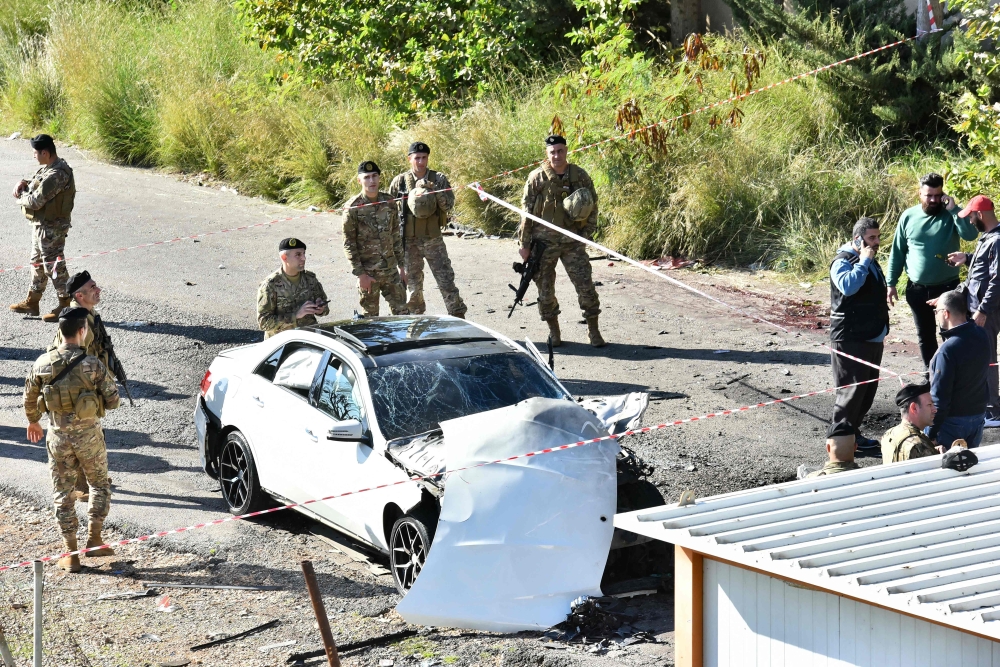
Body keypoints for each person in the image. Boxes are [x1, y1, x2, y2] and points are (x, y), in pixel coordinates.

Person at [23, 307, 120, 572]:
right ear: (82, 330)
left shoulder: (42, 362)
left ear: (60, 331)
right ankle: (96, 538)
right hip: (89, 437)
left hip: (58, 438)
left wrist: (33, 421)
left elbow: (29, 397)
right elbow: (113, 401)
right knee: (98, 484)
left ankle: (71, 552)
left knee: (62, 492)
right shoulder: (93, 364)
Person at [519, 135, 604, 347]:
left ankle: (593, 331)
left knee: (585, 286)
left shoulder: (579, 176)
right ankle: (554, 332)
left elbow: (593, 206)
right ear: (547, 154)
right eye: (552, 152)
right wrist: (524, 245)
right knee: (545, 290)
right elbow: (526, 213)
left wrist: (586, 234)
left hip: (572, 242)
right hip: (543, 244)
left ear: (566, 151)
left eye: (560, 151)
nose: (556, 156)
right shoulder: (536, 178)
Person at [885, 173, 978, 368]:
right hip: (917, 289)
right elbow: (898, 251)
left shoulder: (951, 214)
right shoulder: (908, 216)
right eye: (929, 195)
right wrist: (891, 283)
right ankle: (932, 378)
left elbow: (970, 235)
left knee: (952, 335)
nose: (934, 200)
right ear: (920, 194)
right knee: (925, 337)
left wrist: (954, 210)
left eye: (937, 195)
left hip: (947, 289)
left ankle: (955, 377)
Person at [50, 271, 116, 501]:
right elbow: (70, 358)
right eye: (92, 288)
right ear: (79, 295)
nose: (98, 290)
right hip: (78, 389)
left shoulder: (87, 314)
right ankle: (85, 486)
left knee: (89, 432)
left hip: (86, 384)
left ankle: (89, 481)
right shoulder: (78, 322)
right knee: (82, 434)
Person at [829, 217, 890, 455]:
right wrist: (864, 261)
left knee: (865, 393)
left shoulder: (869, 258)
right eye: (871, 238)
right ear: (858, 239)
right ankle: (838, 446)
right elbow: (848, 286)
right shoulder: (842, 261)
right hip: (850, 338)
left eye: (878, 237)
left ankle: (853, 435)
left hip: (871, 336)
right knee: (850, 393)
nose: (876, 242)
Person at [388, 142, 467, 318]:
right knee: (413, 287)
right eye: (417, 158)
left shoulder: (438, 178)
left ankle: (458, 318)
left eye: (424, 158)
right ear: (410, 159)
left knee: (446, 281)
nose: (421, 162)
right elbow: (390, 214)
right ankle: (416, 323)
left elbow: (448, 205)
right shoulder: (400, 182)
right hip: (409, 242)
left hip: (433, 240)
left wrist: (434, 189)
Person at [943, 195, 1000, 426]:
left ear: (980, 214)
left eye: (971, 216)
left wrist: (983, 310)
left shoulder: (996, 240)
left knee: (987, 358)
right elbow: (984, 268)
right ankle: (990, 406)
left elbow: (997, 279)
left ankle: (993, 411)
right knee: (983, 356)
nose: (969, 222)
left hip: (987, 310)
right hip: (980, 307)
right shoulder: (989, 238)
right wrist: (966, 258)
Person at [9, 134, 76, 322]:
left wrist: (20, 197)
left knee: (54, 266)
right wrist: (24, 182)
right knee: (36, 262)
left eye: (35, 153)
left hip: (52, 228)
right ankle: (33, 301)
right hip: (43, 226)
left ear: (45, 153)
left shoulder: (58, 173)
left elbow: (36, 200)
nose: (33, 156)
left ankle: (66, 304)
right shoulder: (49, 168)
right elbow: (39, 185)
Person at [343, 161, 409, 317]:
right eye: (366, 177)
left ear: (379, 178)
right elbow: (349, 244)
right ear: (360, 180)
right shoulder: (352, 208)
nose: (371, 181)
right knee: (370, 319)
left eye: (374, 176)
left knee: (403, 315)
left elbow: (395, 235)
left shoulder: (389, 201)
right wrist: (361, 275)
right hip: (369, 274)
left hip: (391, 271)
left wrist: (402, 267)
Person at [928, 290, 989, 447]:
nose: (936, 315)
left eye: (937, 311)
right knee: (970, 468)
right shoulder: (982, 335)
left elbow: (939, 397)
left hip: (952, 423)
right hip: (977, 416)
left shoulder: (947, 351)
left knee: (947, 469)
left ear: (946, 313)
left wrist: (931, 432)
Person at [257, 238, 330, 338]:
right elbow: (263, 322)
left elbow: (325, 309)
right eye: (298, 254)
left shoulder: (310, 279)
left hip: (309, 338)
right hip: (281, 343)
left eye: (304, 254)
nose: (304, 258)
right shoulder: (270, 285)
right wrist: (295, 315)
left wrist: (320, 309)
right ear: (284, 257)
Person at [881, 383, 939, 463]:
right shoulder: (918, 445)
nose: (935, 409)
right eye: (929, 405)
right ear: (914, 408)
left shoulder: (888, 434)